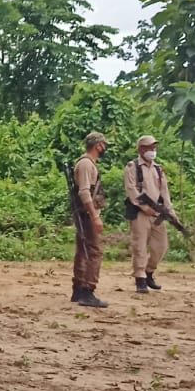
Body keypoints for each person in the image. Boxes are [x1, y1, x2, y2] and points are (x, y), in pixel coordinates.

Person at [124, 134, 180, 294]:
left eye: (154, 148)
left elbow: (164, 191)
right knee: (139, 245)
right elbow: (131, 189)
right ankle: (140, 277)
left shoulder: (158, 168)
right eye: (149, 148)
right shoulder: (132, 166)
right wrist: (143, 207)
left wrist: (170, 211)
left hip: (157, 212)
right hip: (140, 213)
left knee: (161, 245)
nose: (152, 151)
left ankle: (149, 272)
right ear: (141, 149)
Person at [71, 132, 109, 309]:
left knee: (83, 250)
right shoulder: (86, 164)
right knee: (94, 251)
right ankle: (87, 290)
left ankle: (78, 289)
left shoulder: (86, 163)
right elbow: (84, 192)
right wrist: (95, 216)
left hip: (84, 214)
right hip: (86, 214)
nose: (104, 148)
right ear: (98, 145)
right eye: (103, 144)